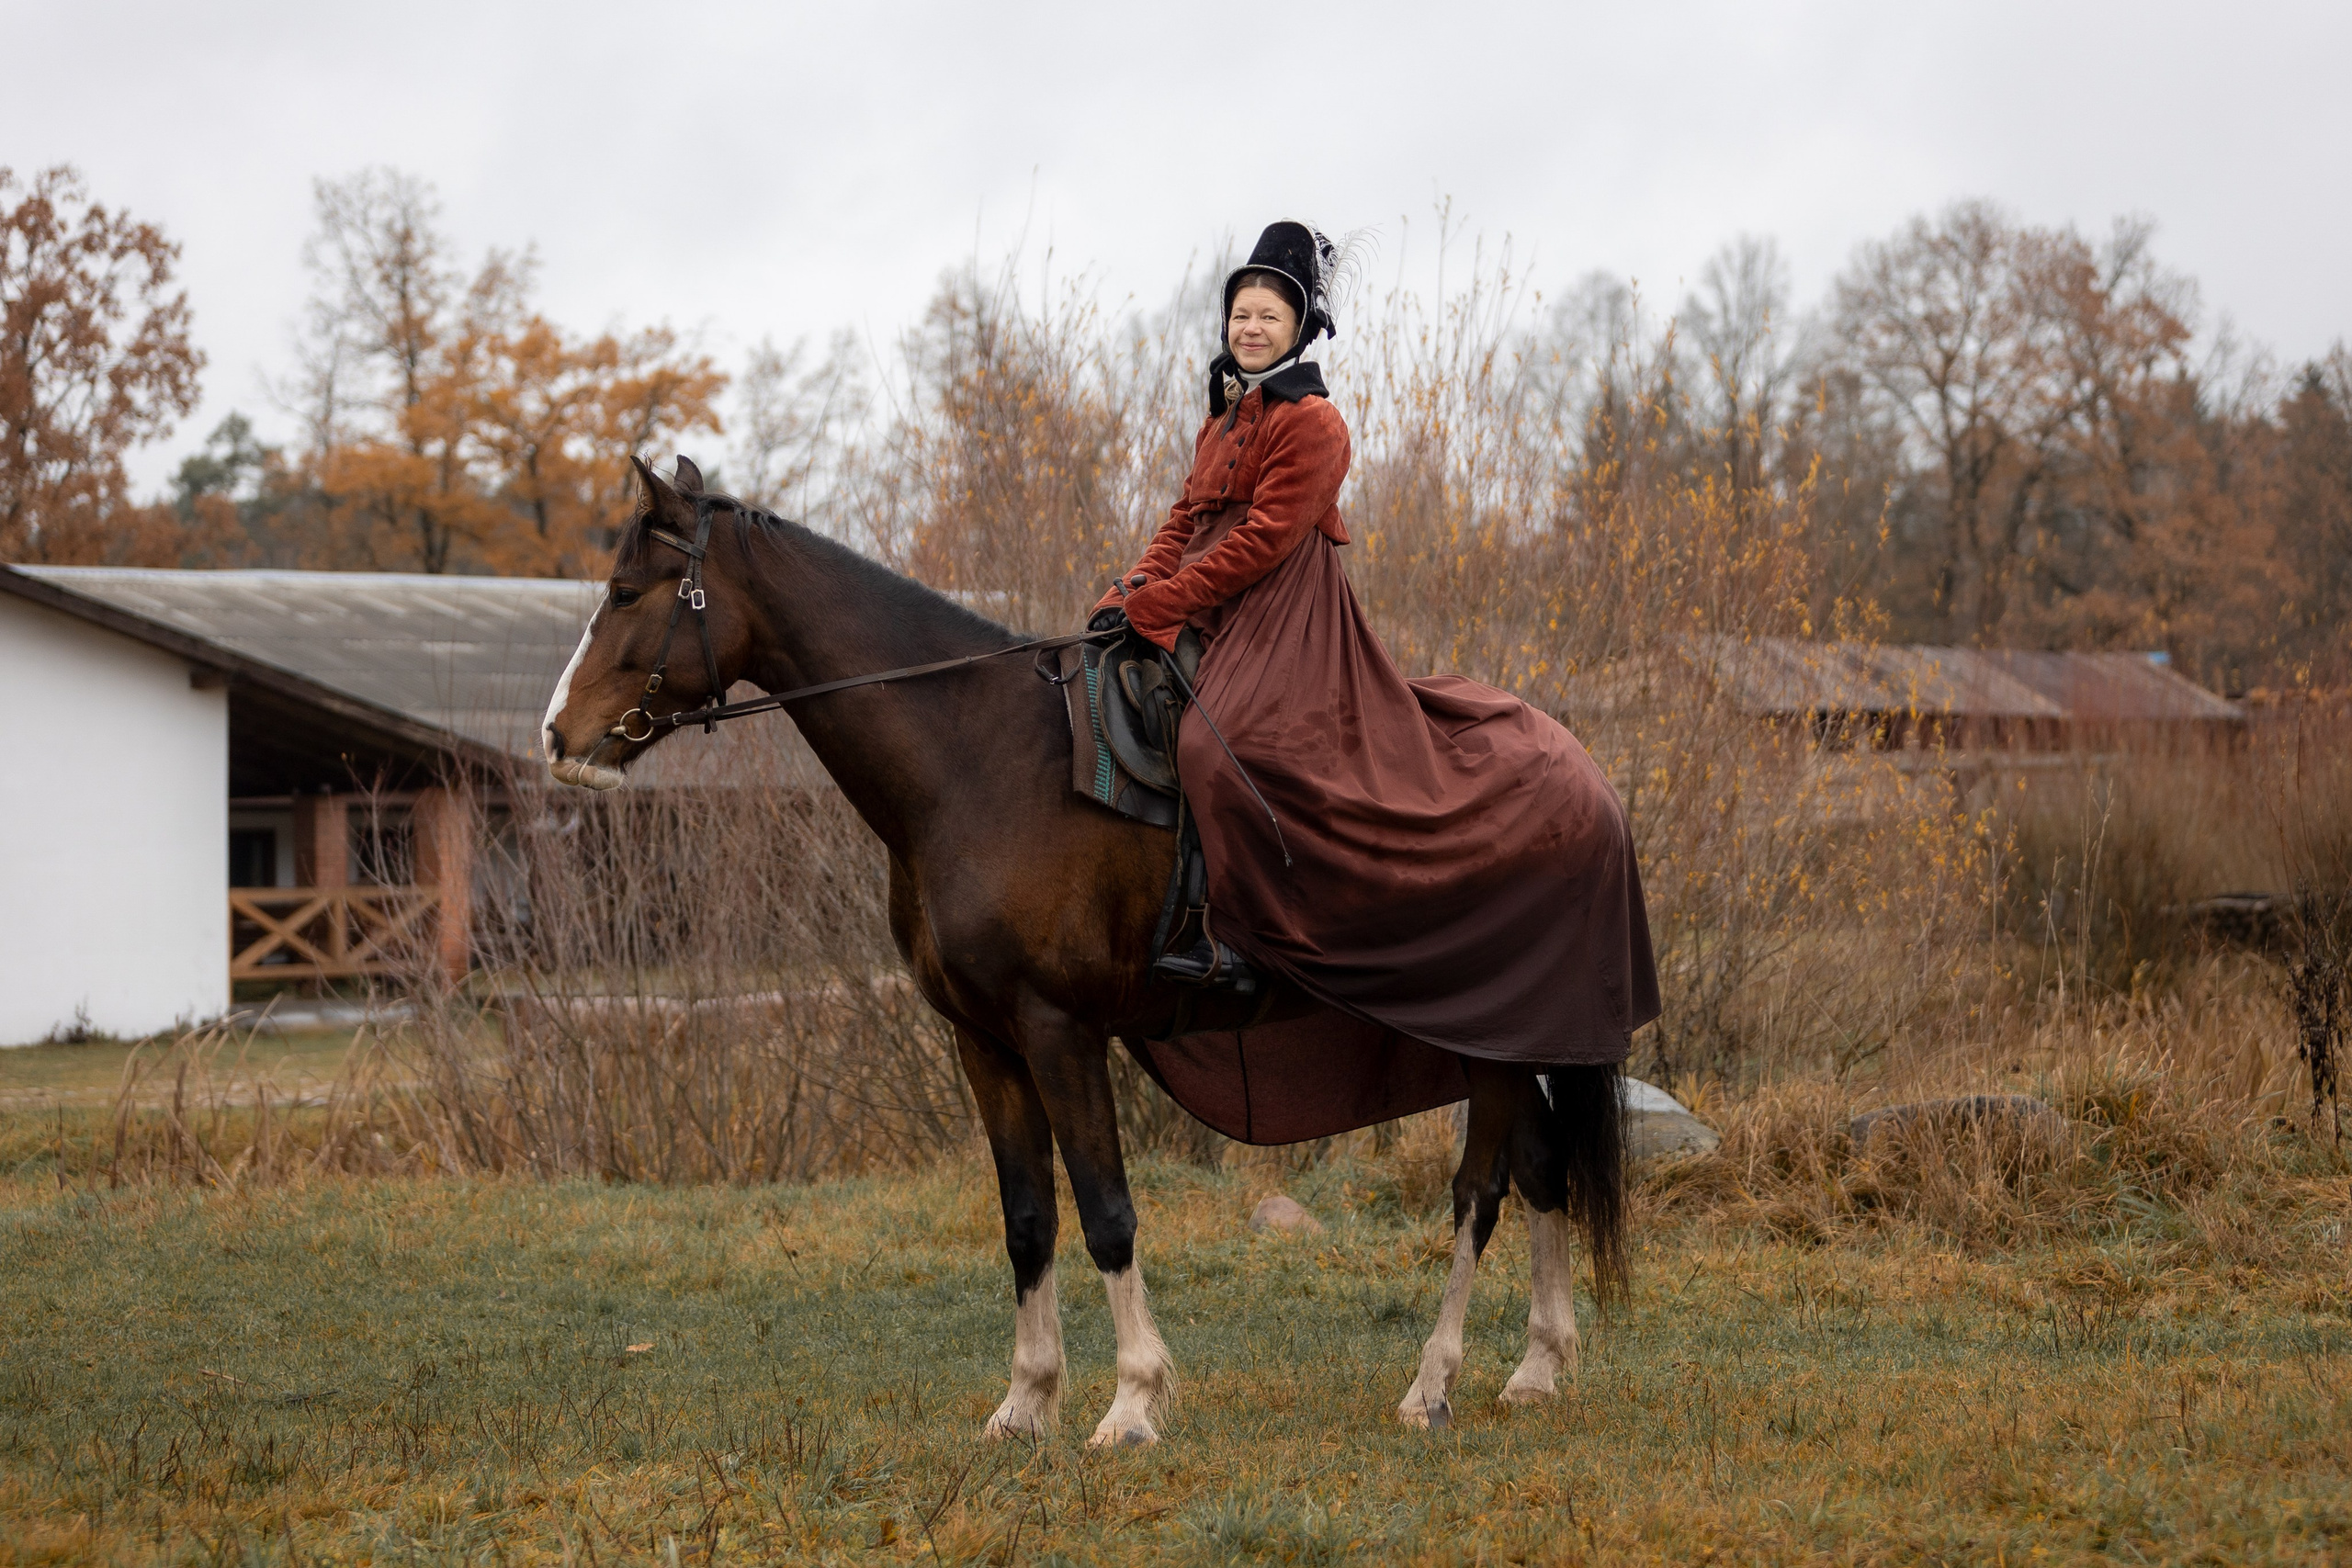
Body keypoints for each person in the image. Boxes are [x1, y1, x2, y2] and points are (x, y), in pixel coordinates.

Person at [1092, 220, 1660, 1076]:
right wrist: (1128, 590)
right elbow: (1185, 522)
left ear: (1299, 327)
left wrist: (1167, 602)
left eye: (1268, 316)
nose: (1251, 328)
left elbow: (1263, 543)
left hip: (1283, 619)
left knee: (1219, 748)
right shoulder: (1222, 421)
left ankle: (1240, 939)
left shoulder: (1316, 422)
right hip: (1212, 603)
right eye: (1240, 314)